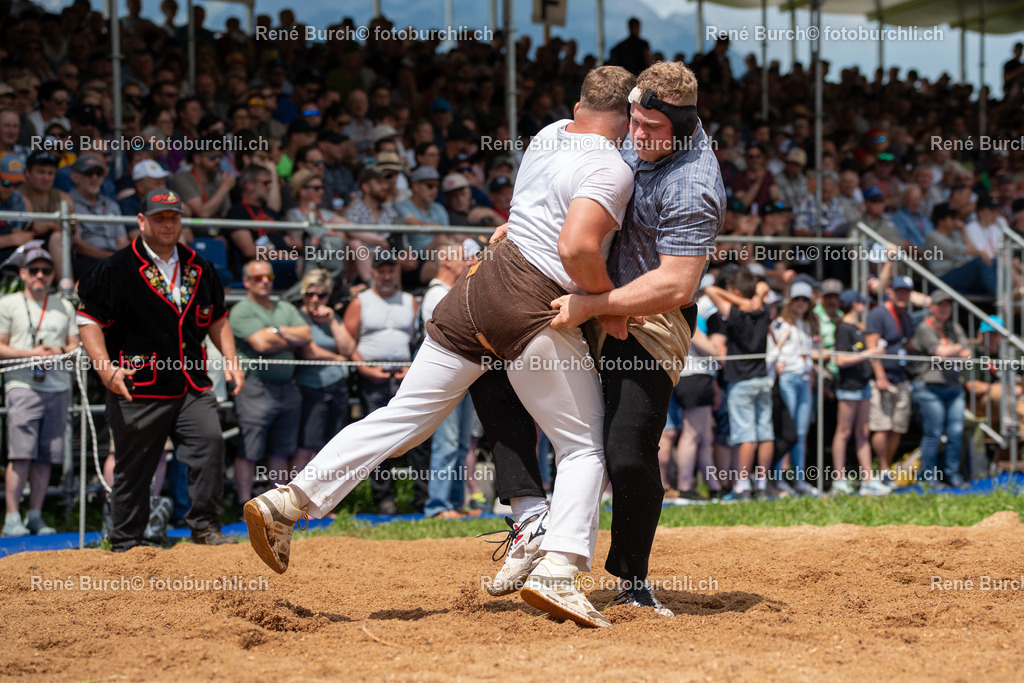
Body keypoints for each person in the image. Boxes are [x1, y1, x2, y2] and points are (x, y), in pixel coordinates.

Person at [245, 65, 638, 629]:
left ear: (579, 104)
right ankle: (559, 572)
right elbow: (577, 248)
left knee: (404, 416)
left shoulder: (550, 134)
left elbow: (526, 215)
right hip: (531, 302)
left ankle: (288, 501)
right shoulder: (610, 166)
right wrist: (606, 302)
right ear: (625, 117)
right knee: (581, 447)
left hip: (473, 291)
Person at [77, 189, 244, 551]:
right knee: (135, 464)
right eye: (159, 218)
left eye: (173, 217)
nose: (167, 224)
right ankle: (125, 539)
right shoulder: (115, 268)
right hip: (138, 385)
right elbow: (88, 321)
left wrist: (231, 359)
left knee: (210, 443)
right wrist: (106, 371)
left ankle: (205, 526)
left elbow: (217, 318)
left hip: (190, 382)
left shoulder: (201, 267)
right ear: (141, 221)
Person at [0, 249, 78, 537]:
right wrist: (30, 354)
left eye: (46, 270)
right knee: (21, 454)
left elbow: (76, 345)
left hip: (58, 386)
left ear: (53, 275)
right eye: (34, 270)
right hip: (22, 385)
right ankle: (11, 518)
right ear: (22, 273)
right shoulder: (8, 304)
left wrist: (57, 351)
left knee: (47, 456)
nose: (40, 275)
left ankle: (35, 516)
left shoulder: (63, 305)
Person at [229, 259, 311, 509]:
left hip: (287, 387)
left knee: (281, 450)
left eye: (269, 277)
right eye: (258, 278)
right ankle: (244, 505)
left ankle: (280, 508)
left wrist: (273, 331)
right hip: (256, 388)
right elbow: (260, 345)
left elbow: (306, 336)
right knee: (250, 450)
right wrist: (288, 335)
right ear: (246, 282)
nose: (265, 281)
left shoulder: (284, 306)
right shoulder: (241, 310)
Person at [343, 252, 421, 514]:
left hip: (405, 374)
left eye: (391, 270)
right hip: (372, 377)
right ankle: (384, 498)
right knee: (377, 438)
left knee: (415, 436)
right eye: (382, 271)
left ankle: (420, 496)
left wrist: (412, 367)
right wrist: (363, 367)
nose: (387, 276)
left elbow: (421, 340)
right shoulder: (360, 302)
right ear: (373, 273)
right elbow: (347, 341)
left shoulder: (410, 301)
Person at [705, 272, 774, 500]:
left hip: (741, 383)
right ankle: (762, 485)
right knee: (765, 434)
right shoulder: (763, 309)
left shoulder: (735, 312)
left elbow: (710, 290)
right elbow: (763, 285)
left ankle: (742, 486)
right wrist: (756, 296)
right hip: (763, 380)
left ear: (735, 293)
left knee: (746, 436)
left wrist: (739, 301)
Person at [421, 239, 477, 519]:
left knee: (460, 443)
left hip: (461, 376)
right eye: (460, 256)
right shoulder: (435, 294)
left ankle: (455, 503)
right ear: (446, 261)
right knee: (448, 442)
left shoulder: (448, 292)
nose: (466, 260)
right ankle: (438, 505)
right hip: (446, 378)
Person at [293, 268, 356, 480]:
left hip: (337, 386)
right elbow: (308, 351)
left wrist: (331, 321)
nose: (315, 299)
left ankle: (322, 501)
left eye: (321, 295)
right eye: (310, 294)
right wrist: (336, 359)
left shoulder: (333, 317)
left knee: (331, 447)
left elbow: (347, 349)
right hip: (310, 388)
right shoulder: (298, 316)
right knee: (306, 447)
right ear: (303, 294)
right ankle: (292, 500)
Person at [830, 290, 888, 496]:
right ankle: (839, 479)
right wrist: (869, 353)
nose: (864, 305)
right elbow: (841, 360)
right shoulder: (843, 328)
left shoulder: (856, 328)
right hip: (849, 387)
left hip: (862, 385)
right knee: (843, 432)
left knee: (863, 432)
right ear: (853, 304)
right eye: (860, 302)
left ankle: (868, 480)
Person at [911, 290, 971, 489]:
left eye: (947, 305)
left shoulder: (954, 327)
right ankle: (929, 478)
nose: (944, 308)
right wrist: (956, 349)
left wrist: (952, 350)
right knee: (933, 434)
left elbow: (968, 354)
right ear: (931, 307)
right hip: (929, 388)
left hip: (953, 387)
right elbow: (941, 352)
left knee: (956, 432)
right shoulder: (924, 327)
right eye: (940, 305)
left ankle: (952, 475)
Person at [766, 280, 820, 496]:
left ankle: (798, 479)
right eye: (796, 299)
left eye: (804, 300)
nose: (800, 303)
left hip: (805, 380)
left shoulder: (809, 324)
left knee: (801, 432)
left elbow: (812, 353)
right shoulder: (780, 323)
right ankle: (778, 478)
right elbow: (771, 352)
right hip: (787, 378)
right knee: (787, 432)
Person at [865, 275, 915, 485]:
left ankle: (886, 467)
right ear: (890, 291)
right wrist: (880, 375)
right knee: (882, 425)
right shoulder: (878, 313)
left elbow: (908, 345)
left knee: (898, 426)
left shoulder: (906, 317)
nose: (903, 295)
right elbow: (871, 345)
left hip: (901, 377)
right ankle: (883, 469)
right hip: (883, 378)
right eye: (899, 291)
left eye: (906, 292)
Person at [70, 156, 126, 280]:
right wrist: (111, 258)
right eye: (88, 173)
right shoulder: (69, 203)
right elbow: (78, 245)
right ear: (75, 177)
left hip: (113, 259)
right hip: (87, 261)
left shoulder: (111, 204)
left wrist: (122, 259)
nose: (94, 177)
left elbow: (122, 240)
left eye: (98, 173)